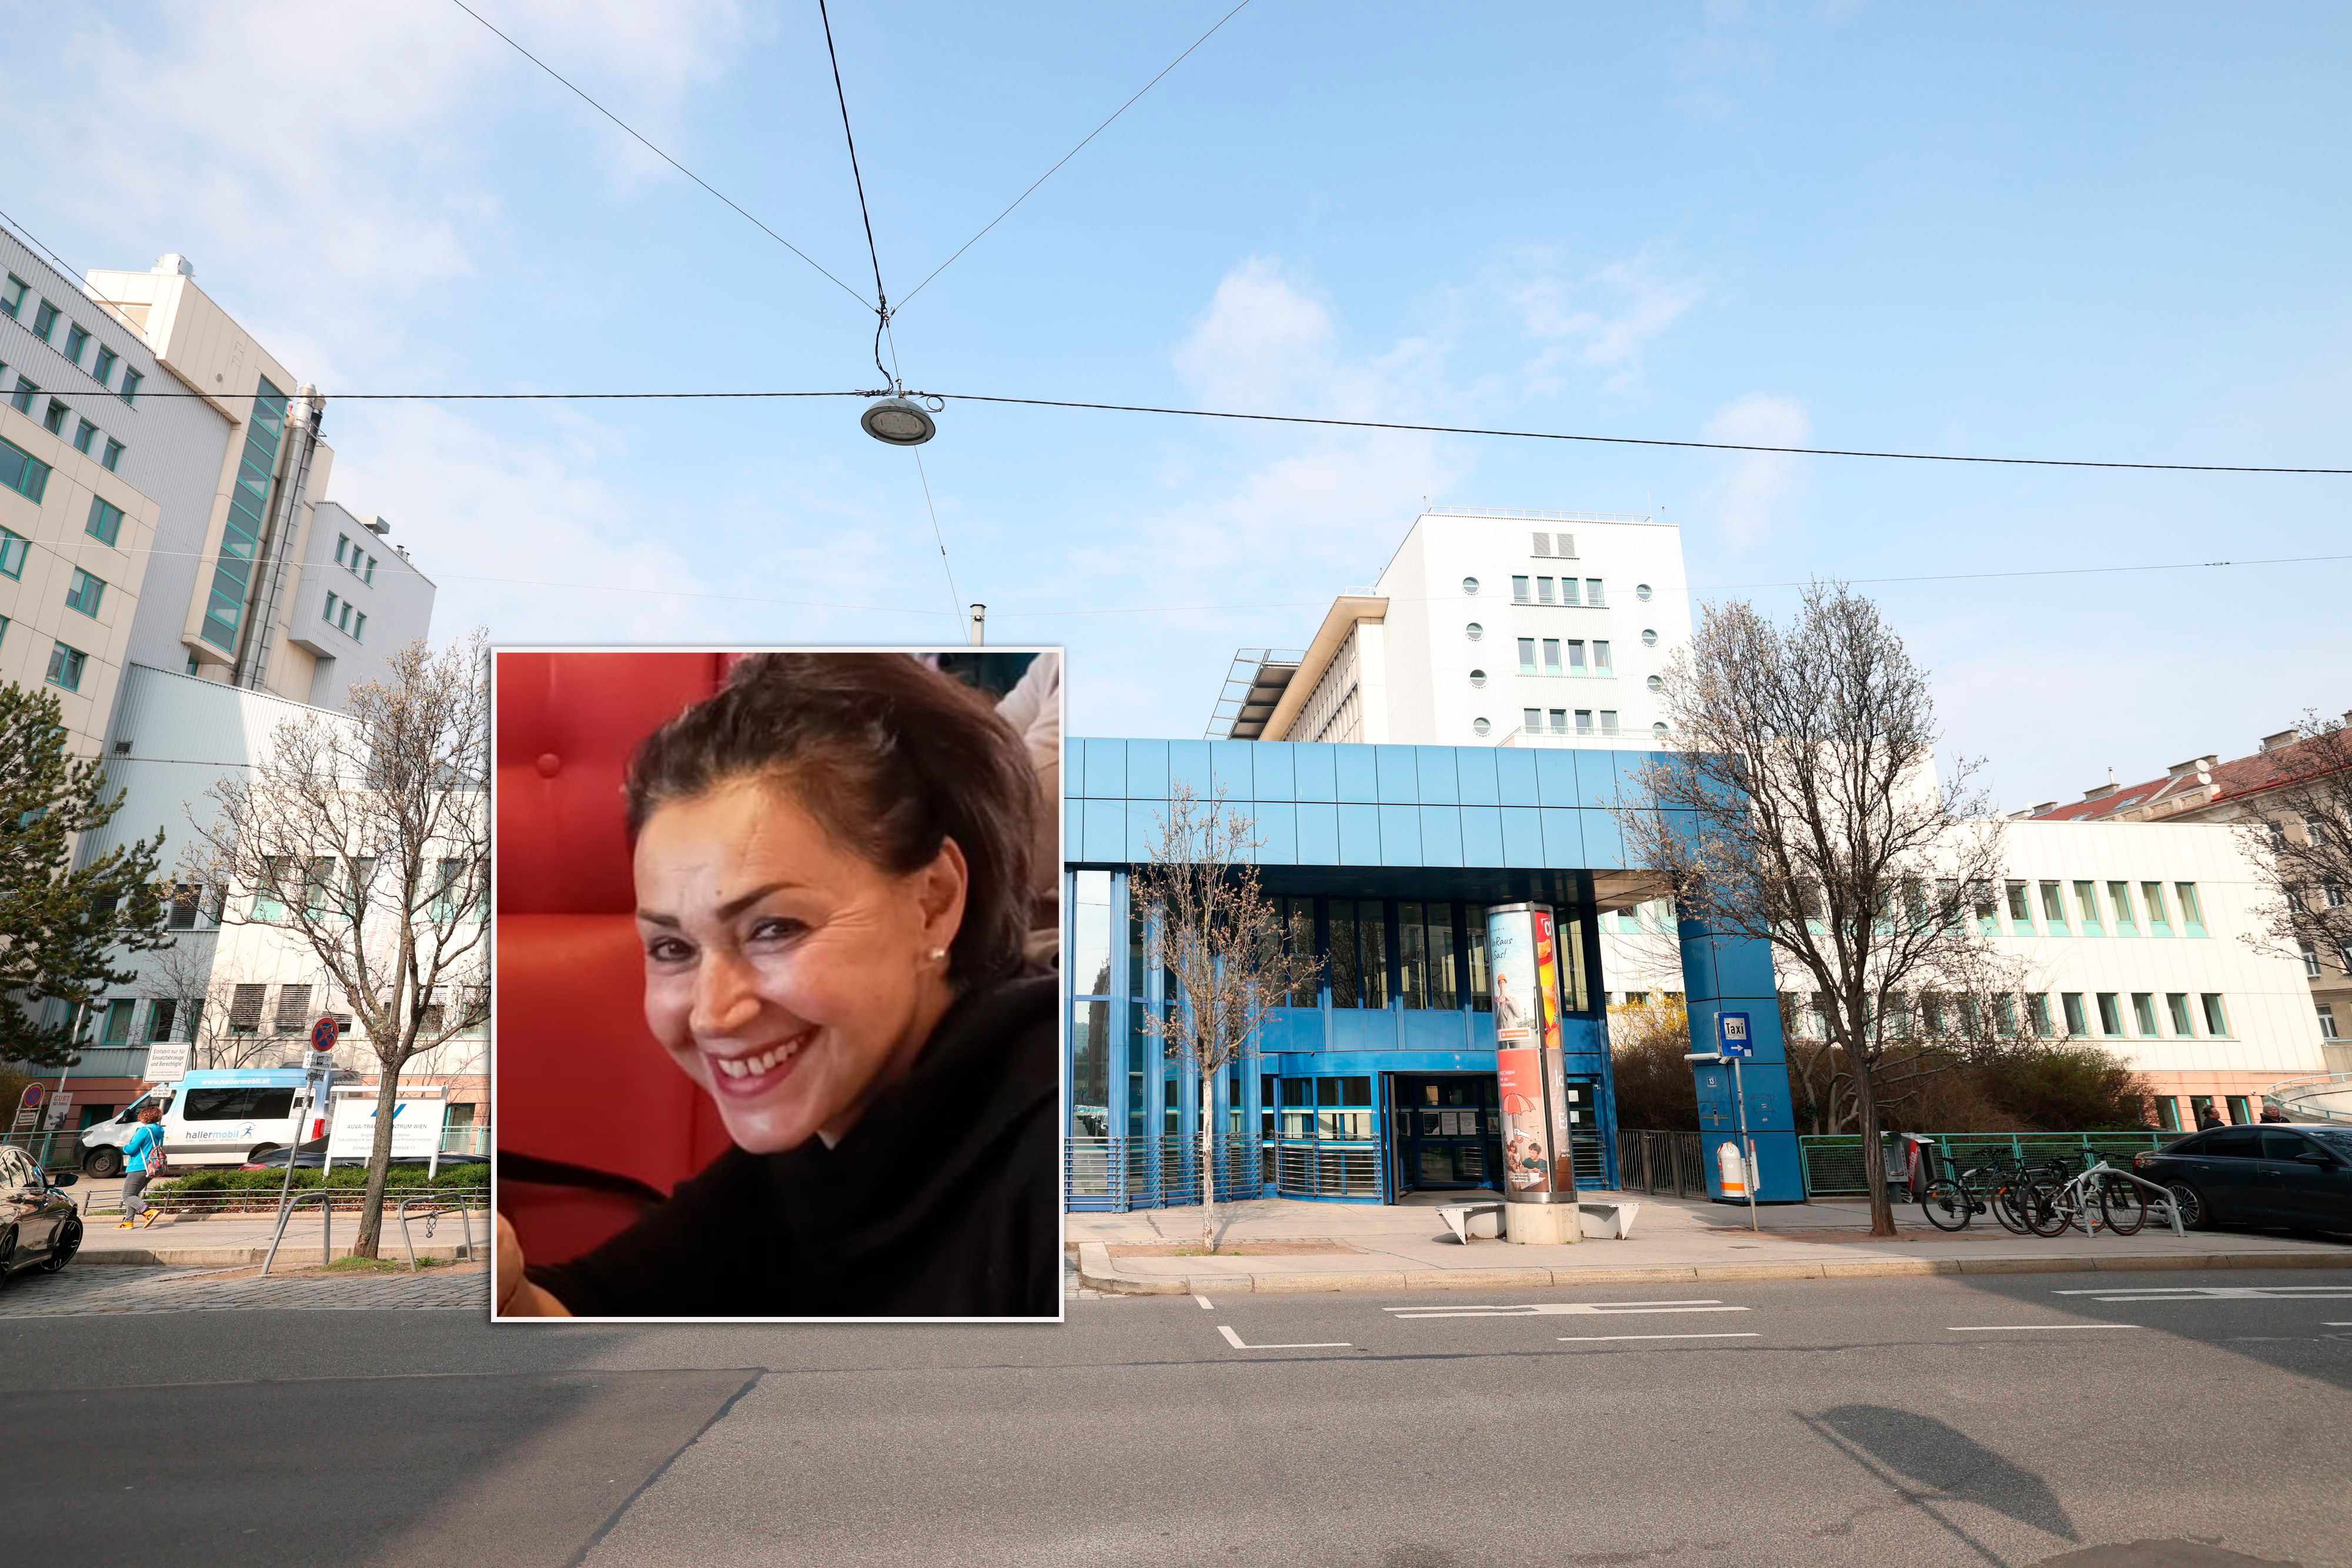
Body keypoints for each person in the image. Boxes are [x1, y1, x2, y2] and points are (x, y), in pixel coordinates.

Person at [496, 653, 1057, 1319]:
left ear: (932, 902)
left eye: (774, 929)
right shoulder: (819, 1141)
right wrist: (497, 1289)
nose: (713, 1014)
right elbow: (588, 1309)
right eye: (673, 947)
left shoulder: (1066, 1158)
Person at [117, 1102, 164, 1229]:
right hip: (152, 1167)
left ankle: (148, 1212)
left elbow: (131, 1149)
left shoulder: (143, 1131)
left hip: (138, 1166)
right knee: (133, 1194)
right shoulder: (160, 1130)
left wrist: (124, 1146)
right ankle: (128, 1222)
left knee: (127, 1196)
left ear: (144, 1117)